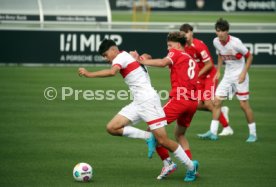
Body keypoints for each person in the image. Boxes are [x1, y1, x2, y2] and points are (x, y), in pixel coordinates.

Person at [78, 39, 199, 181]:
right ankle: (152, 142)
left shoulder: (121, 57)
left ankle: (191, 167)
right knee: (112, 127)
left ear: (113, 50)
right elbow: (146, 57)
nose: (106, 59)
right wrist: (143, 57)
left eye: (105, 55)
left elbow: (112, 72)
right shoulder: (128, 57)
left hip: (148, 102)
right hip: (138, 103)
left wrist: (88, 74)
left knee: (163, 140)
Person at [137, 32, 199, 180]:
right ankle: (192, 170)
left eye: (170, 46)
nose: (169, 49)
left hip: (179, 100)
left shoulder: (175, 53)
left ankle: (168, 163)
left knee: (153, 128)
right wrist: (148, 58)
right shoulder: (191, 60)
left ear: (178, 45)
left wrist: (141, 61)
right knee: (180, 134)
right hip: (192, 103)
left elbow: (163, 63)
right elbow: (168, 65)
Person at [198, 18, 257, 142]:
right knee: (216, 102)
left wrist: (244, 73)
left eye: (223, 31)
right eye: (218, 31)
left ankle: (253, 134)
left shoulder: (236, 43)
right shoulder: (216, 41)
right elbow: (220, 54)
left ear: (227, 31)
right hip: (227, 75)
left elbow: (250, 56)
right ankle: (213, 132)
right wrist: (219, 70)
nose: (220, 33)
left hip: (240, 76)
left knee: (243, 105)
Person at [179, 23, 234, 140]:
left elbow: (209, 64)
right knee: (197, 104)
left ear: (191, 33)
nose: (185, 36)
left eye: (187, 33)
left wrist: (196, 75)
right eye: (183, 34)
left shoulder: (198, 45)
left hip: (210, 75)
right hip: (199, 78)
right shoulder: (184, 47)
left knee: (209, 103)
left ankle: (227, 128)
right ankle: (221, 111)